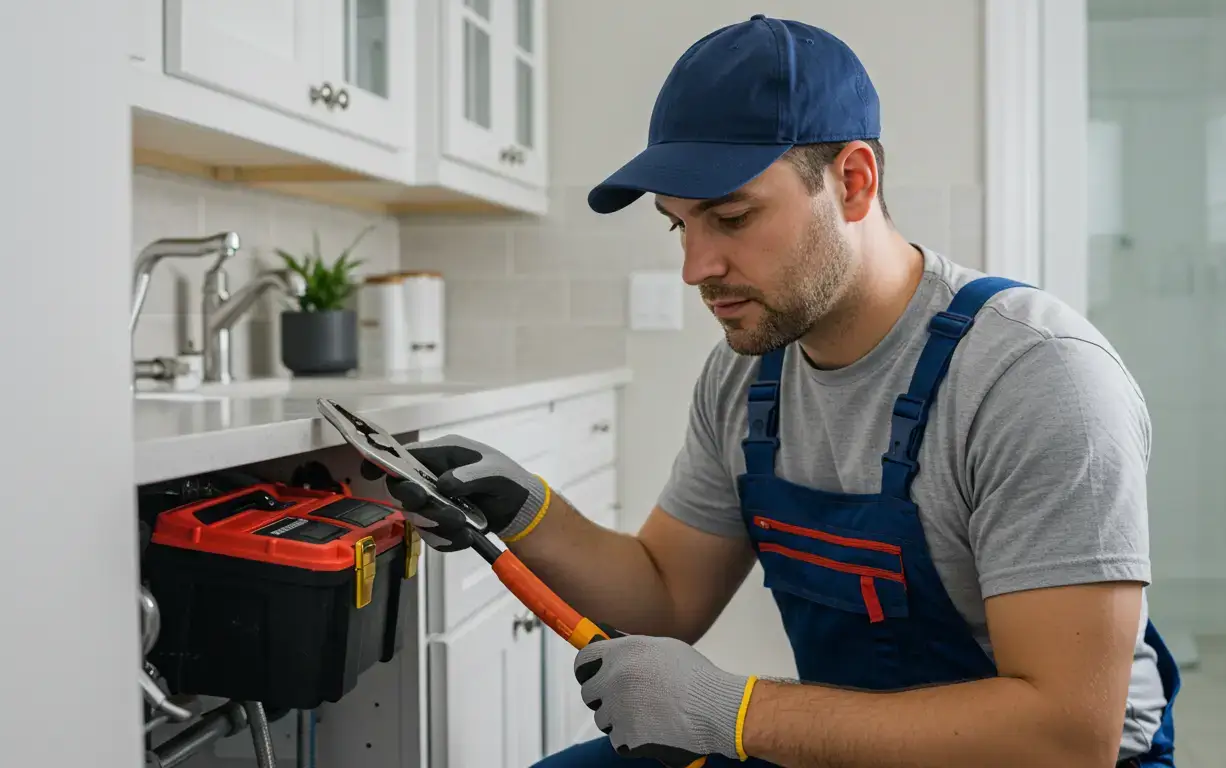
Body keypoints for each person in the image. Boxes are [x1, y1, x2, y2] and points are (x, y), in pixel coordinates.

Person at [366, 13, 1180, 768]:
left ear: (853, 182)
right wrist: (530, 516)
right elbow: (666, 598)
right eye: (679, 225)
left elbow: (1067, 737)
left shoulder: (1034, 376)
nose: (695, 269)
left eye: (731, 216)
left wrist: (737, 712)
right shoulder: (748, 375)